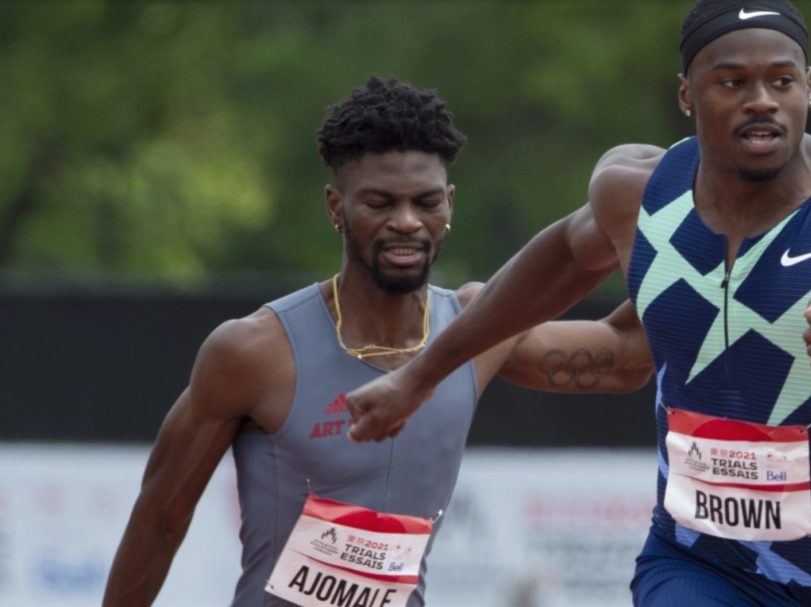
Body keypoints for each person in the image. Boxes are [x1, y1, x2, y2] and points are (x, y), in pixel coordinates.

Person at [342, 2, 811, 605]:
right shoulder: (636, 193)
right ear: (686, 96)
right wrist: (420, 375)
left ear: (808, 91)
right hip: (692, 563)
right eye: (732, 82)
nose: (761, 100)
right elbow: (554, 268)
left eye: (781, 80)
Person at [102, 75, 653, 607]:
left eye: (427, 202)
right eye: (380, 203)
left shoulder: (479, 329)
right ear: (336, 208)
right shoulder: (253, 351)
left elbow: (627, 359)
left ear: (451, 205)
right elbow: (159, 522)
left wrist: (705, 219)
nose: (408, 222)